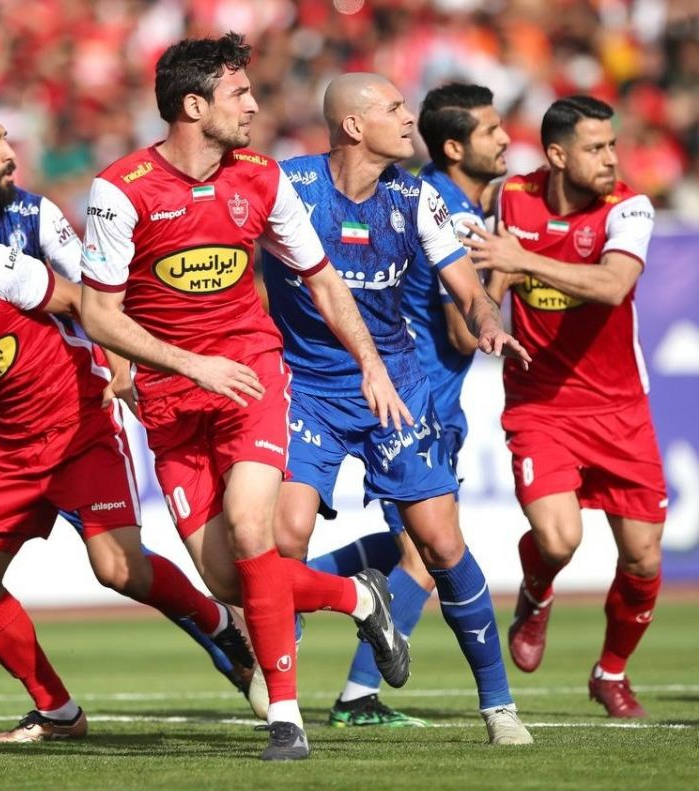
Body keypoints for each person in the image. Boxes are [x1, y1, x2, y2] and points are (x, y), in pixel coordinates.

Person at [0, 102, 255, 733]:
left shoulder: (21, 231)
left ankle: (220, 629)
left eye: (6, 138)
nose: (10, 153)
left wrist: (120, 366)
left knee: (120, 569)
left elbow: (89, 300)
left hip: (70, 411)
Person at [79, 34, 410, 762]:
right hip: (172, 399)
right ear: (194, 106)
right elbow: (99, 315)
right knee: (229, 578)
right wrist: (186, 366)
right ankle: (359, 597)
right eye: (239, 94)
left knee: (252, 529)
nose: (255, 106)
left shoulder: (261, 177)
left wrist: (370, 363)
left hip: (251, 379)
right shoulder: (121, 190)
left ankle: (285, 719)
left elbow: (323, 279)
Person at [261, 73, 533, 746]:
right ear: (354, 126)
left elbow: (467, 289)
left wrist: (487, 319)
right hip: (309, 390)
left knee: (439, 544)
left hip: (398, 388)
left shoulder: (415, 199)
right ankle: (281, 678)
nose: (409, 118)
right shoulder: (287, 187)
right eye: (394, 108)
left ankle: (499, 708)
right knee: (284, 536)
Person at [465, 95, 666, 718]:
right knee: (558, 540)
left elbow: (613, 286)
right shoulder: (510, 197)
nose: (611, 159)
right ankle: (536, 593)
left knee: (643, 558)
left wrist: (522, 260)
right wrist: (488, 307)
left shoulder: (628, 207)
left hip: (620, 409)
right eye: (595, 148)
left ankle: (611, 673)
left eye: (612, 146)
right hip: (541, 406)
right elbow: (487, 284)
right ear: (556, 154)